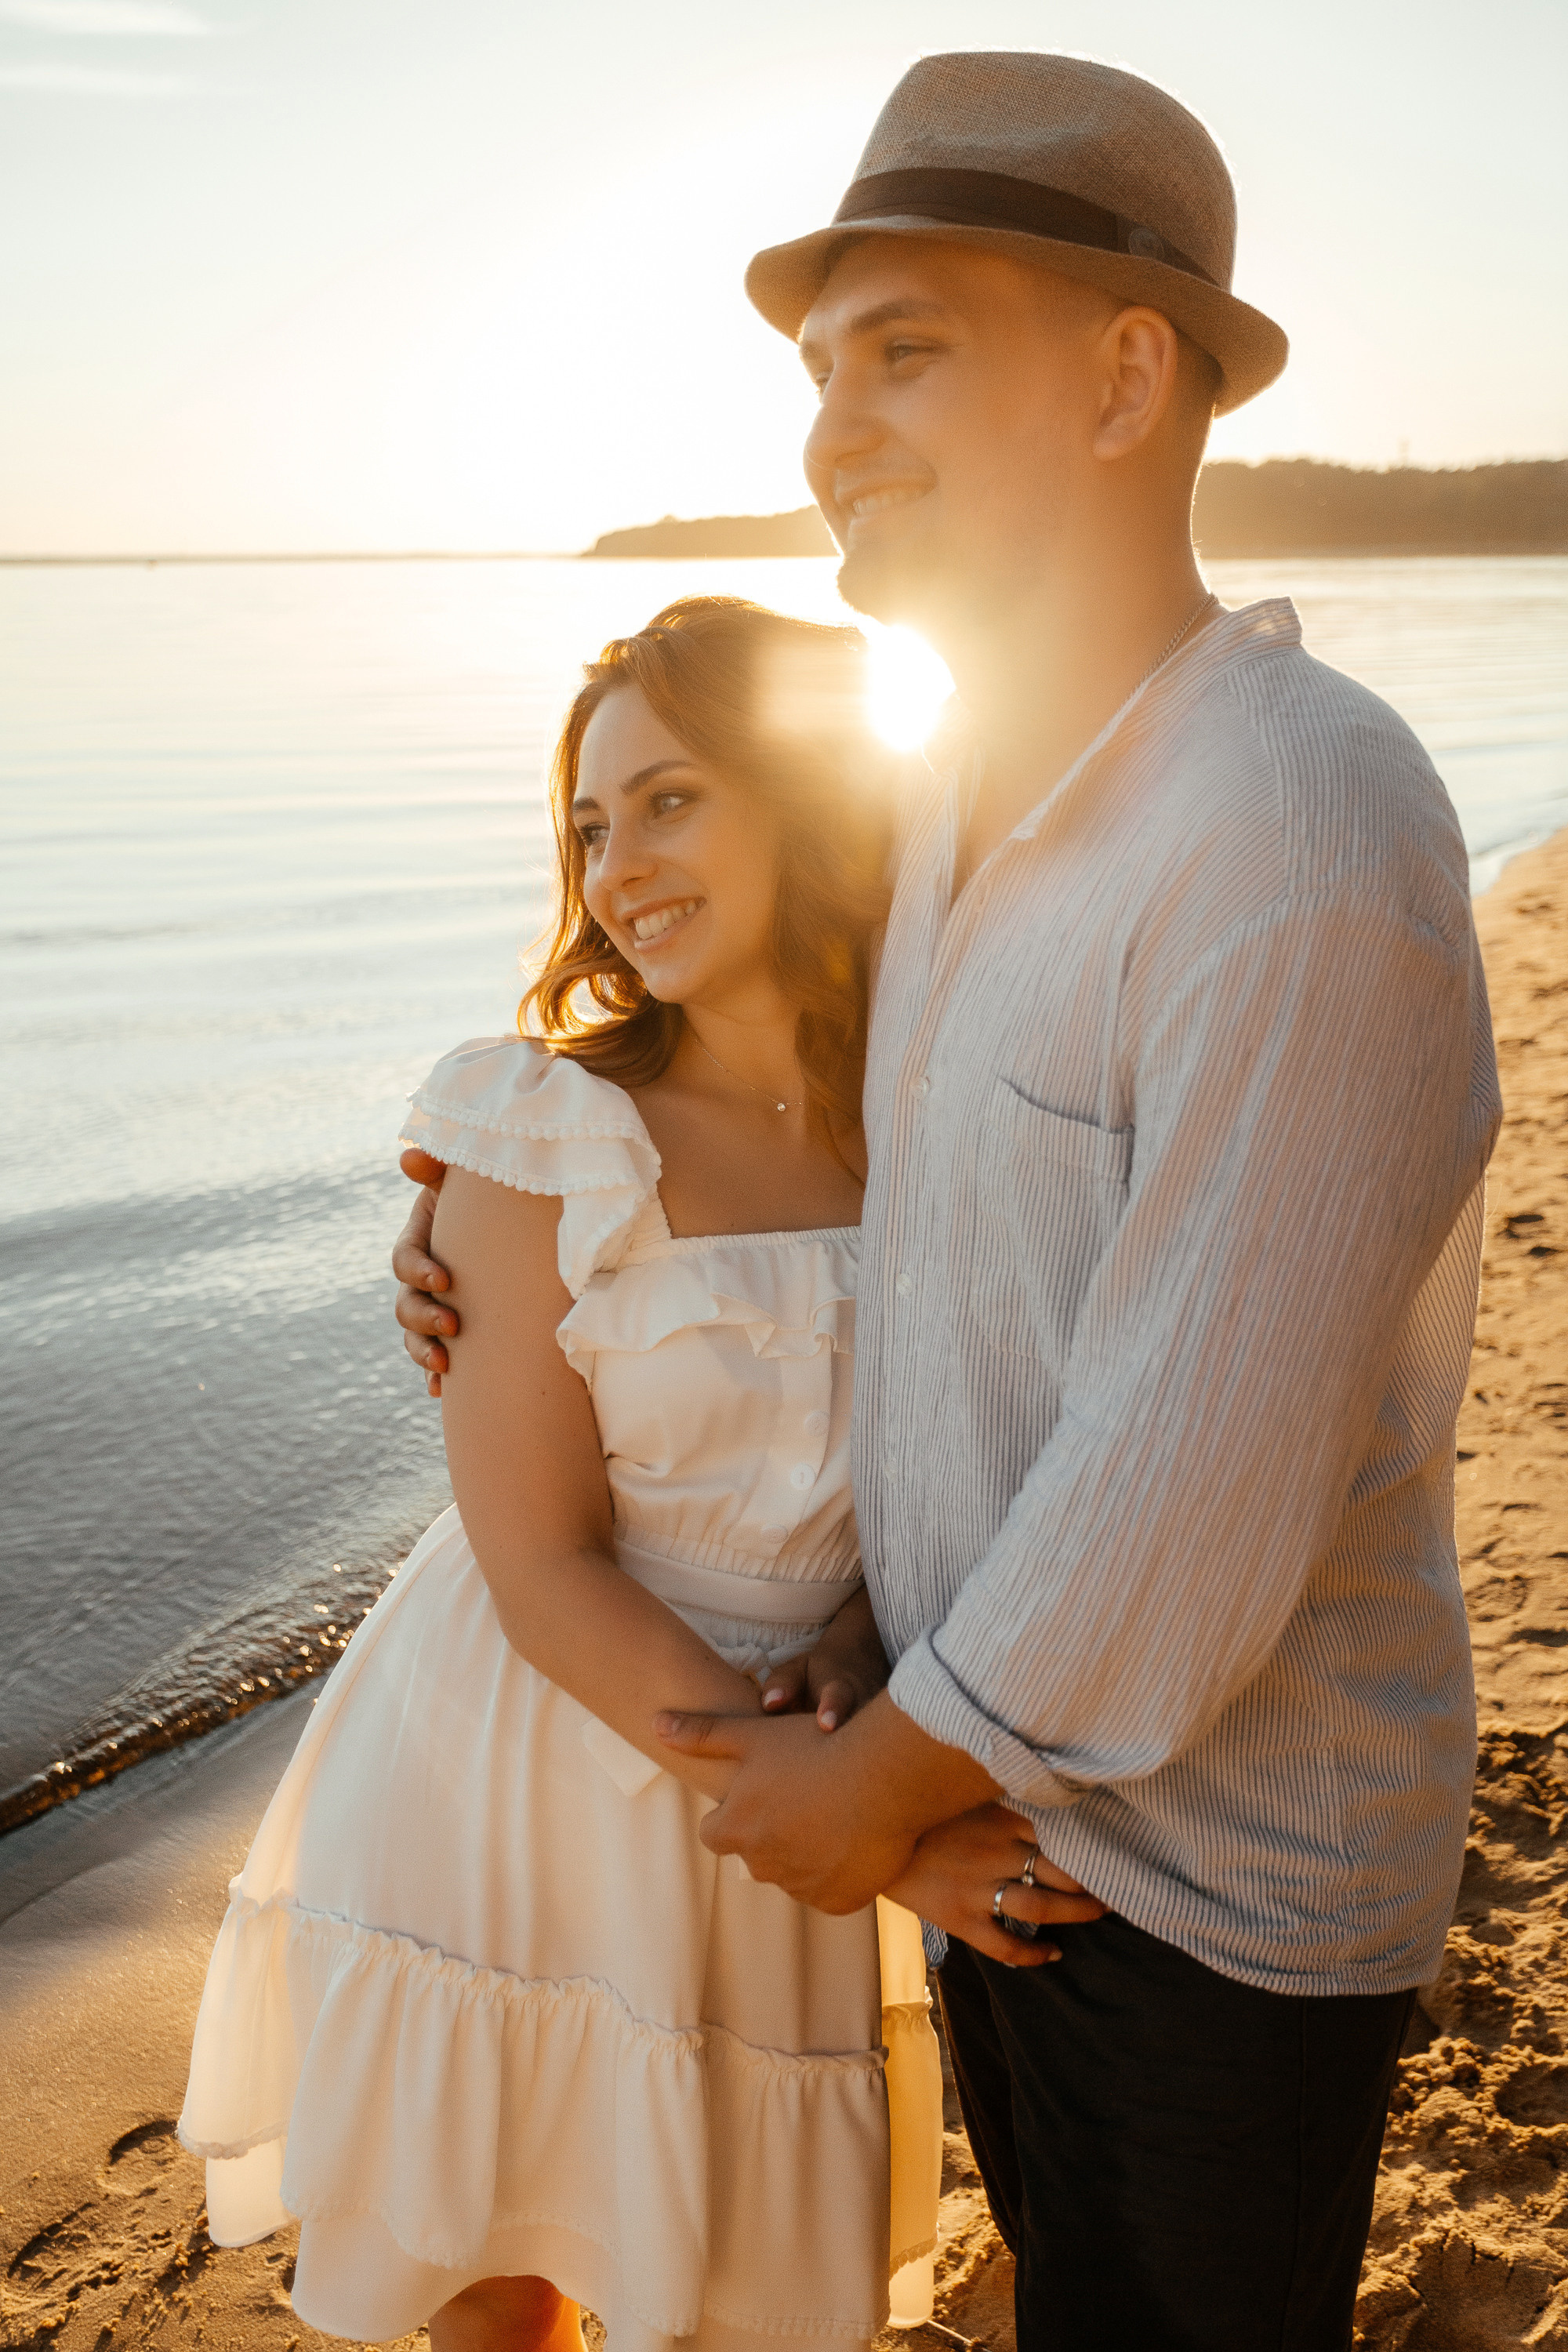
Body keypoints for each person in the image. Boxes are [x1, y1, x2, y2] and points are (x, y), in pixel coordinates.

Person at [397, 51, 1502, 2352]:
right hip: (987, 1811)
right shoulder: (947, 809)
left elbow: (1197, 1454)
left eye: (904, 350)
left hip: (1208, 1886)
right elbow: (869, 1201)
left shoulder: (1298, 830)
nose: (832, 431)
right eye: (819, 371)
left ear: (1125, 376)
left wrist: (869, 1792)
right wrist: (493, 1210)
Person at [180, 597, 1100, 2352]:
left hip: (797, 1746)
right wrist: (881, 1846)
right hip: (522, 1759)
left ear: (808, 798)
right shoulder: (538, 1131)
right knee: (505, 2291)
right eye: (590, 827)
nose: (616, 868)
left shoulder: (938, 1112)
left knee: (734, 2284)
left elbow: (973, 1433)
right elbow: (540, 1565)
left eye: (669, 801)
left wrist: (857, 1671)